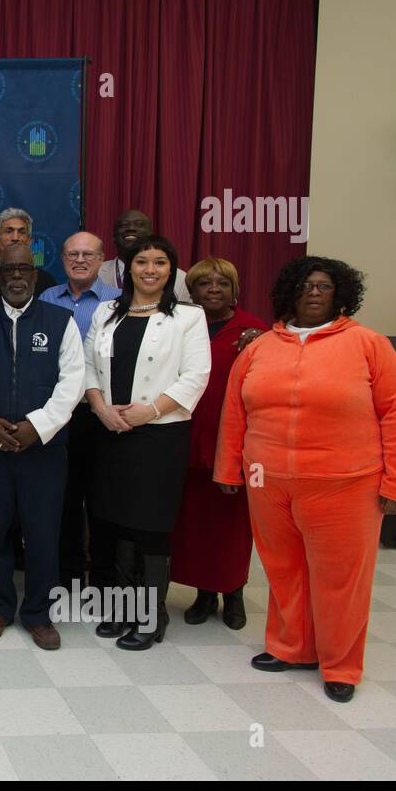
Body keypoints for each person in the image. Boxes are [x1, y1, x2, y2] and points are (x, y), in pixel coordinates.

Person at [214, 257, 396, 703]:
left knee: (339, 580)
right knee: (284, 572)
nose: (313, 292)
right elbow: (235, 412)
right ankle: (292, 647)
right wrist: (229, 468)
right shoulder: (261, 347)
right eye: (306, 285)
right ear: (290, 292)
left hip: (346, 485)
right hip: (268, 482)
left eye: (324, 286)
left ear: (340, 294)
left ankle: (340, 664)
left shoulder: (368, 345)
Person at [83, 234, 210, 650]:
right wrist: (102, 409)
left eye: (159, 262)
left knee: (149, 526)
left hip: (160, 436)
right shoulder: (105, 312)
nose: (150, 270)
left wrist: (149, 411)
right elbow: (87, 367)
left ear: (171, 270)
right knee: (115, 521)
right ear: (128, 268)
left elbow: (195, 376)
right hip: (110, 432)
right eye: (142, 262)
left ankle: (151, 616)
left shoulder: (189, 317)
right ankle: (122, 609)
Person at [0, 243, 85, 648]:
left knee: (43, 531)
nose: (16, 277)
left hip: (44, 450)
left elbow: (73, 384)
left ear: (35, 275)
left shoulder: (60, 320)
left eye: (24, 270)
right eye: (8, 270)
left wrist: (37, 426)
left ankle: (38, 613)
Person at [170, 258, 267, 629]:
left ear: (234, 290)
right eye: (204, 283)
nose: (213, 289)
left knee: (232, 527)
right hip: (188, 440)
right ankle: (204, 594)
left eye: (221, 283)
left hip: (233, 444)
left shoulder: (254, 331)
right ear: (190, 292)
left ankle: (234, 594)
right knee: (194, 524)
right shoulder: (180, 327)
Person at [40, 231, 121, 591]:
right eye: (73, 253)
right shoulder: (46, 298)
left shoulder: (118, 302)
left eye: (88, 254)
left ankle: (102, 579)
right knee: (63, 497)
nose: (80, 260)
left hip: (97, 412)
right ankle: (68, 576)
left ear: (102, 259)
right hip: (57, 413)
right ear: (62, 258)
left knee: (102, 499)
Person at [97, 209, 190, 302]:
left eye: (139, 224)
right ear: (113, 237)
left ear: (150, 235)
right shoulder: (96, 273)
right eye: (124, 225)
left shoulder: (181, 278)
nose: (131, 228)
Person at [0, 207, 57, 295]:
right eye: (9, 231)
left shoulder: (45, 281)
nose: (15, 238)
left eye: (21, 232)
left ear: (29, 241)